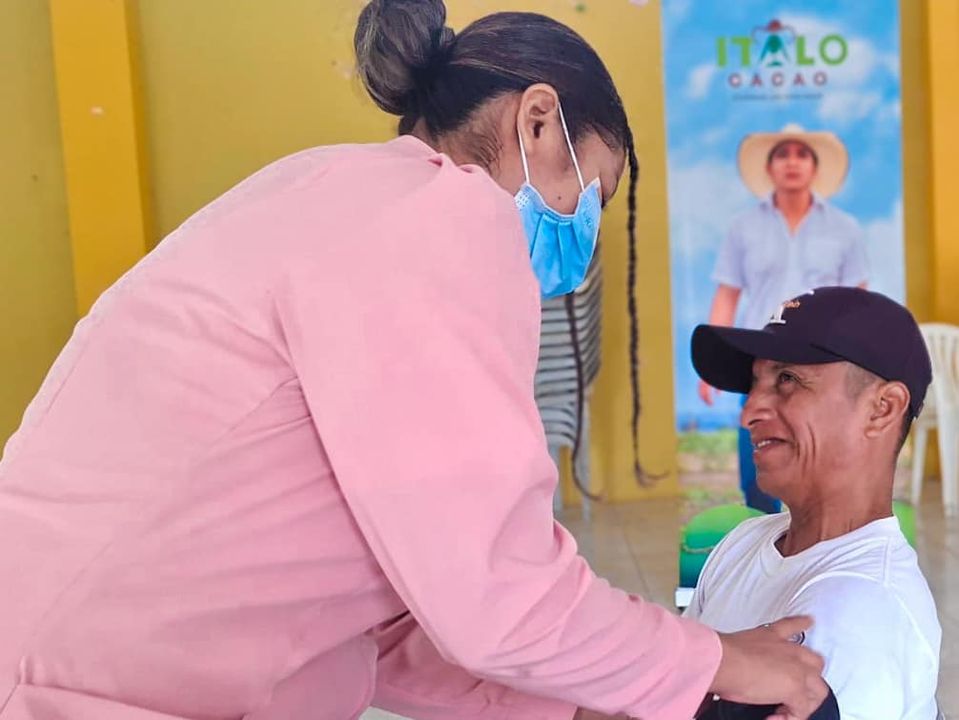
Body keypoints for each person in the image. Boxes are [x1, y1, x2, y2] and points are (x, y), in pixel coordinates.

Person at [0, 2, 828, 719]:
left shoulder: (333, 188)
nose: (579, 238)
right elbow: (497, 594)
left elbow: (388, 615)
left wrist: (593, 697)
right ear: (538, 122)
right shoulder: (445, 222)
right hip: (79, 680)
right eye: (592, 194)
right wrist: (712, 662)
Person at [687, 287, 942, 719]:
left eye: (787, 380)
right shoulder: (745, 540)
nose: (749, 413)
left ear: (882, 409)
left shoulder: (862, 611)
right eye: (754, 385)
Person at [698, 124, 869, 514]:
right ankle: (766, 542)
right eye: (783, 155)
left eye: (801, 154)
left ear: (814, 168)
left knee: (822, 461)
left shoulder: (844, 228)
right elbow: (727, 294)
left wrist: (860, 361)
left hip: (822, 363)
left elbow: (857, 303)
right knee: (759, 469)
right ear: (770, 168)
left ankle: (821, 542)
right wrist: (711, 366)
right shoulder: (743, 227)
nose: (792, 162)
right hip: (759, 362)